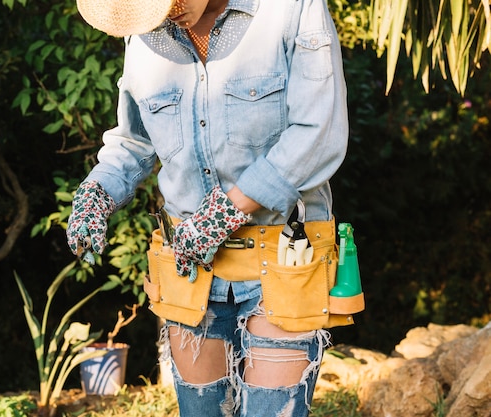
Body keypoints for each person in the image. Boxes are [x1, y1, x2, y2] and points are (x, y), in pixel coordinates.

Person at [67, 0, 352, 415]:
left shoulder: (290, 9)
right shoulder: (146, 33)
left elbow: (318, 133)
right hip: (189, 269)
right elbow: (134, 142)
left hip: (285, 257)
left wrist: (224, 214)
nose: (164, 15)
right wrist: (97, 193)